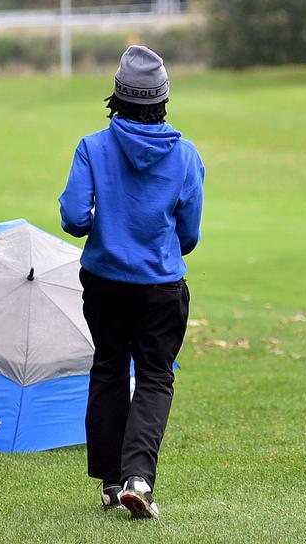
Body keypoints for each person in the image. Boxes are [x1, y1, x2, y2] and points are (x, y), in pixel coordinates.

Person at [59, 45, 205, 519]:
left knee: (108, 369)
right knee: (156, 376)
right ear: (163, 99)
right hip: (160, 285)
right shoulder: (185, 156)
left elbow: (74, 218)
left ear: (117, 97)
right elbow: (189, 236)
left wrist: (107, 221)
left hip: (103, 281)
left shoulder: (92, 147)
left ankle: (109, 482)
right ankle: (139, 479)